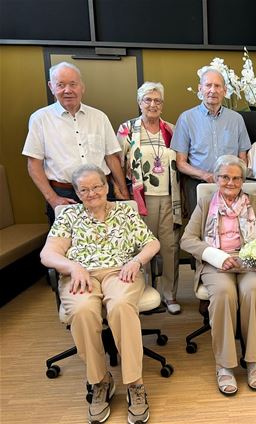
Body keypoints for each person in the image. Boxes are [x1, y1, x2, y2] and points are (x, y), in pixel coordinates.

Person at [40, 164, 160, 424]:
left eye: (96, 186)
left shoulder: (125, 213)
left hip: (120, 272)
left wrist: (136, 261)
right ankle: (100, 381)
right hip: (80, 275)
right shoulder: (68, 216)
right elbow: (47, 254)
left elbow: (152, 242)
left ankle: (134, 384)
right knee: (82, 310)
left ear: (106, 187)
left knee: (120, 305)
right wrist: (73, 267)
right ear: (77, 192)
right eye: (84, 189)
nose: (92, 193)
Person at [180, 155, 256, 396]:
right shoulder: (205, 203)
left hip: (250, 262)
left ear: (243, 180)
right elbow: (188, 240)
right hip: (218, 262)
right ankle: (224, 365)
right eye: (225, 177)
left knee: (253, 291)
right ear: (216, 178)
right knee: (224, 293)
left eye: (236, 178)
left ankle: (253, 360)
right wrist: (218, 257)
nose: (230, 182)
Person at [22, 61, 129, 224]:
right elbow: (33, 164)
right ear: (51, 87)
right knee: (66, 246)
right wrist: (53, 199)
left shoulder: (99, 117)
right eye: (61, 85)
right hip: (65, 195)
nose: (67, 90)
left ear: (82, 87)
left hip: (103, 193)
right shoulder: (40, 119)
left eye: (73, 84)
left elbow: (111, 158)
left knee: (109, 243)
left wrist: (123, 191)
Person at [117, 82, 182, 315]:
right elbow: (117, 162)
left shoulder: (172, 129)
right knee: (140, 248)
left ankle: (169, 295)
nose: (153, 104)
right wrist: (122, 194)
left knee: (169, 248)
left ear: (162, 104)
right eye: (148, 100)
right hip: (140, 199)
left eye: (157, 100)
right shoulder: (127, 129)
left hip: (169, 197)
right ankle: (141, 293)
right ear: (139, 102)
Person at [171, 67, 251, 218]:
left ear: (225, 90)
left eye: (217, 86)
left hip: (231, 187)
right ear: (200, 89)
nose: (212, 90)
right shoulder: (186, 119)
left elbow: (243, 158)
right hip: (198, 186)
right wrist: (205, 175)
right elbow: (180, 163)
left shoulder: (236, 120)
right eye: (208, 85)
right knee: (200, 230)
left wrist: (233, 181)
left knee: (230, 231)